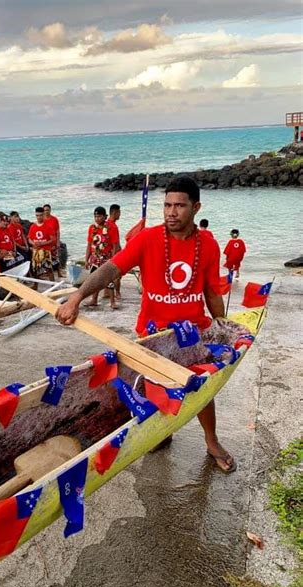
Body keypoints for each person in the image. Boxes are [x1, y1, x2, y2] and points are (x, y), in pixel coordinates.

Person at [57, 176, 236, 473]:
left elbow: (212, 290)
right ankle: (163, 433)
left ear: (196, 207)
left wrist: (223, 327)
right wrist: (76, 297)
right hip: (153, 335)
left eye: (180, 206)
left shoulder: (209, 244)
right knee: (155, 390)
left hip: (193, 333)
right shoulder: (147, 239)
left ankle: (211, 440)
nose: (171, 212)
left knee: (204, 391)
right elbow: (111, 268)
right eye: (167, 205)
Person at [85, 206, 119, 309]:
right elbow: (89, 244)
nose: (97, 219)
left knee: (109, 279)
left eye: (99, 216)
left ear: (105, 217)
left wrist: (113, 260)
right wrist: (87, 259)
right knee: (94, 279)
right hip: (95, 258)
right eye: (95, 216)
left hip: (106, 258)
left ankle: (112, 302)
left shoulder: (111, 227)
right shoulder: (92, 228)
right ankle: (94, 299)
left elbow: (115, 245)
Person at [28, 207, 55, 281]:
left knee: (48, 268)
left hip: (45, 250)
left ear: (43, 215)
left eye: (40, 215)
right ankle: (36, 285)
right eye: (37, 215)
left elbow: (53, 239)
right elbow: (29, 239)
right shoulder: (33, 226)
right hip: (36, 250)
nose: (39, 217)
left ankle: (52, 284)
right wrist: (34, 243)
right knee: (35, 269)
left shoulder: (48, 226)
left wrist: (43, 243)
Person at [43, 203, 65, 277]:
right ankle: (48, 272)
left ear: (50, 210)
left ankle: (59, 273)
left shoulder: (54, 219)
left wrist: (58, 242)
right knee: (46, 258)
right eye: (45, 210)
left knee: (56, 258)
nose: (46, 212)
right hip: (45, 243)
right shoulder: (42, 220)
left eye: (48, 210)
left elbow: (57, 231)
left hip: (54, 242)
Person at [107, 203, 122, 299]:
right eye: (119, 212)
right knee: (117, 275)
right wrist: (115, 257)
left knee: (107, 275)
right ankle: (117, 293)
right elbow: (115, 244)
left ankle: (106, 292)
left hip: (106, 252)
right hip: (113, 253)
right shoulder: (113, 226)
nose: (120, 215)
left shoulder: (106, 224)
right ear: (115, 212)